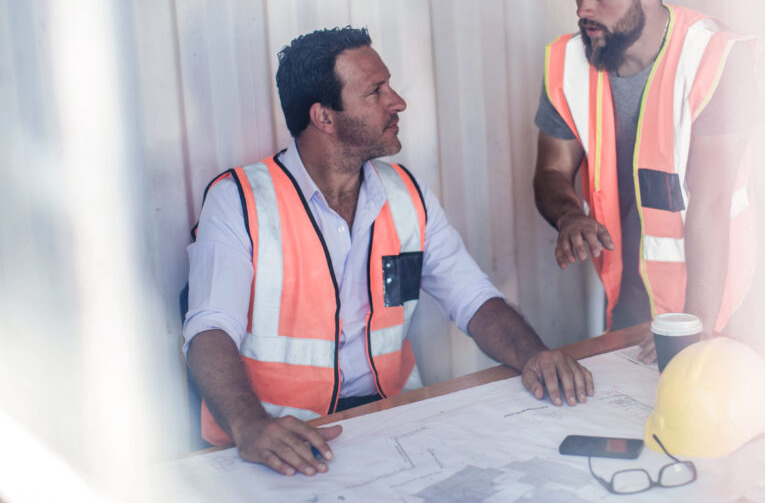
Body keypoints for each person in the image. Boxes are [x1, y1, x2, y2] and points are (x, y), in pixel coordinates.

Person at [184, 26, 593, 477]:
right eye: (375, 92)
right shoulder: (238, 199)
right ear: (324, 117)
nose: (396, 101)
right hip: (279, 441)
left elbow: (473, 299)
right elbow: (209, 329)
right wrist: (250, 425)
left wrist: (534, 355)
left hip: (390, 424)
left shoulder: (407, 194)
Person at [533, 0, 758, 363]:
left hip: (717, 305)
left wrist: (695, 326)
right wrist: (570, 216)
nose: (583, 10)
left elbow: (711, 201)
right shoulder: (568, 64)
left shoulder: (713, 58)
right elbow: (551, 170)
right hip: (631, 301)